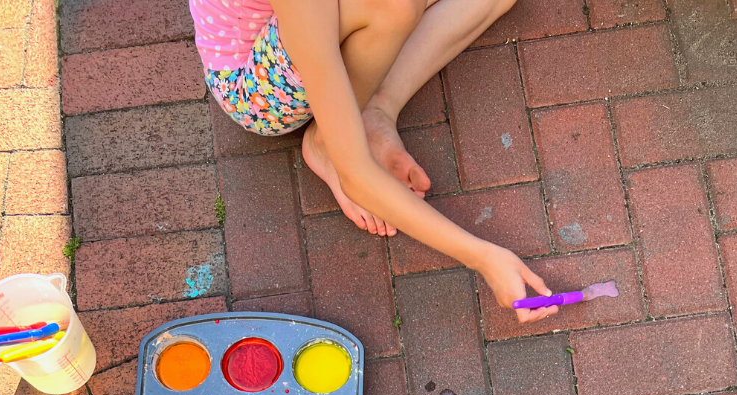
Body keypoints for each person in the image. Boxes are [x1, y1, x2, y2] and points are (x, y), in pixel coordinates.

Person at [191, 0, 560, 324]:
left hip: (307, 26)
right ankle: (325, 144)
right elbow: (357, 175)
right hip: (253, 82)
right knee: (392, 6)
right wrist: (483, 257)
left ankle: (375, 108)